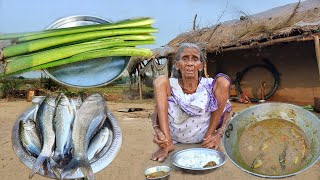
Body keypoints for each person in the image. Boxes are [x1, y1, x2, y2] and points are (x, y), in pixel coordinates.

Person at [150, 43, 232, 162]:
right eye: (185, 59)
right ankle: (168, 143)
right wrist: (158, 131)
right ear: (177, 65)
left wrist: (217, 135)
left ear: (200, 65)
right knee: (160, 80)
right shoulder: (169, 85)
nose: (190, 63)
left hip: (204, 137)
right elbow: (155, 113)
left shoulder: (209, 85)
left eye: (195, 59)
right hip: (173, 137)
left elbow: (228, 112)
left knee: (224, 81)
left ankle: (208, 139)